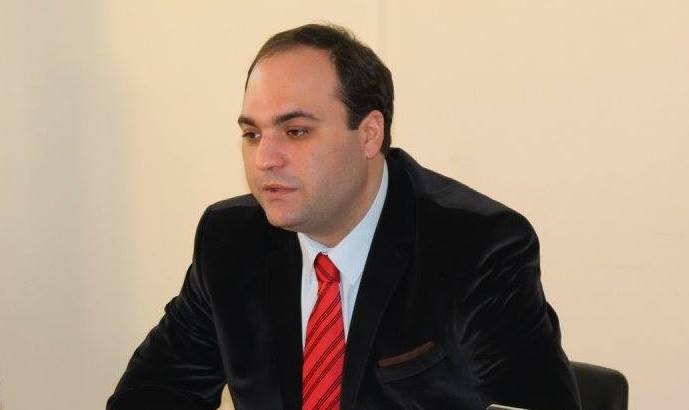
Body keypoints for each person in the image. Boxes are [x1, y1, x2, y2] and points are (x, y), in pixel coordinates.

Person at [108, 24, 581, 410]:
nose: (264, 159)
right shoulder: (231, 241)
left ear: (369, 134)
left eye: (296, 131)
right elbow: (153, 394)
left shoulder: (476, 248)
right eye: (252, 135)